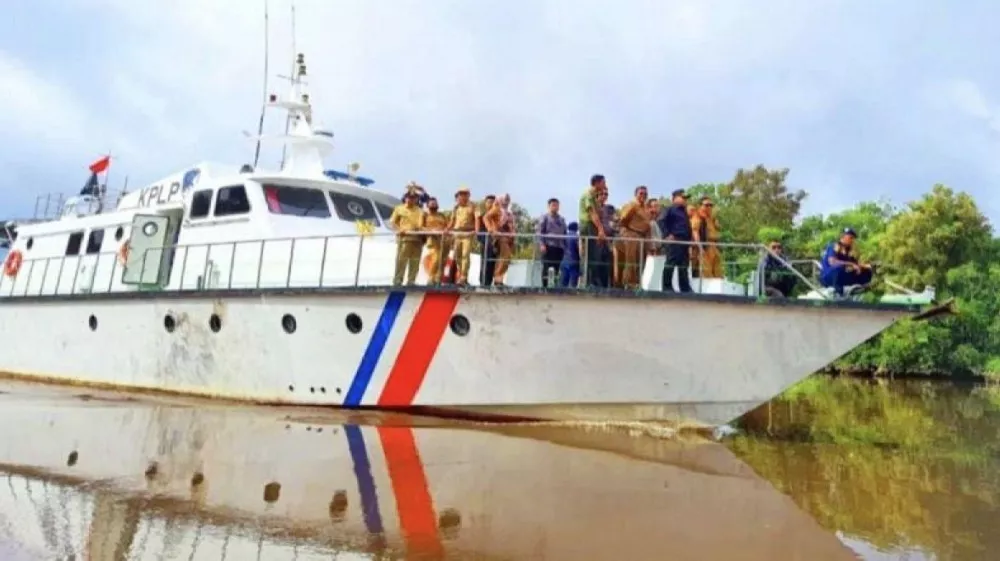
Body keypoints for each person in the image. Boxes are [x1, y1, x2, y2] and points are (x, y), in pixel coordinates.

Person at [657, 189, 693, 293]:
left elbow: (687, 227)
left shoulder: (684, 212)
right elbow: (661, 221)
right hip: (674, 241)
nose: (685, 200)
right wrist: (667, 234)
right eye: (683, 197)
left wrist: (690, 242)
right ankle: (667, 287)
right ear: (675, 198)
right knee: (670, 264)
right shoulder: (670, 209)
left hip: (684, 242)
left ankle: (685, 288)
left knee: (683, 266)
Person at [819, 227, 874, 296]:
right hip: (828, 276)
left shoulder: (849, 251)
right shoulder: (834, 246)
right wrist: (851, 264)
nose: (852, 240)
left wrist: (864, 266)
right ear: (843, 237)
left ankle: (860, 287)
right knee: (839, 268)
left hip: (841, 276)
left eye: (853, 238)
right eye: (850, 238)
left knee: (866, 270)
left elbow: (855, 264)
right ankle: (839, 291)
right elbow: (832, 262)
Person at [616, 186, 651, 289]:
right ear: (636, 194)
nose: (643, 196)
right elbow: (623, 219)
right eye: (641, 193)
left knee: (641, 261)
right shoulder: (632, 205)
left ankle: (637, 283)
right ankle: (628, 284)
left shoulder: (645, 208)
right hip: (632, 235)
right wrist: (627, 232)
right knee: (631, 261)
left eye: (645, 194)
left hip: (643, 237)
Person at [388, 187, 424, 285]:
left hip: (417, 239)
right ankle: (398, 281)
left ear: (416, 199)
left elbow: (423, 224)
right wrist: (399, 230)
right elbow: (392, 222)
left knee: (415, 262)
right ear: (405, 198)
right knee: (401, 261)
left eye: (414, 198)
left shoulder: (420, 211)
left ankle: (411, 281)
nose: (411, 199)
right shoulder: (399, 208)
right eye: (409, 197)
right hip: (404, 239)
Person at [578, 175, 608, 288]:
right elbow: (592, 214)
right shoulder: (588, 195)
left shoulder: (594, 197)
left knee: (594, 255)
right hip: (587, 226)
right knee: (588, 254)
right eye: (603, 183)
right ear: (597, 183)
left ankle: (591, 281)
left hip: (592, 227)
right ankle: (586, 281)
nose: (605, 185)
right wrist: (601, 230)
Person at [483, 194, 514, 286]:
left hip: (508, 238)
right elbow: (486, 217)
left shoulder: (509, 212)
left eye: (508, 200)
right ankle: (497, 278)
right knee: (505, 256)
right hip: (499, 236)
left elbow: (511, 225)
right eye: (505, 199)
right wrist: (490, 229)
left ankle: (499, 278)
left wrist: (513, 236)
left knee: (506, 258)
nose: (506, 201)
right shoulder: (497, 209)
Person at [448, 186, 477, 285]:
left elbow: (477, 219)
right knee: (458, 256)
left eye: (465, 194)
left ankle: (464, 277)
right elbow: (452, 221)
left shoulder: (473, 206)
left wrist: (476, 231)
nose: (463, 196)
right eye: (461, 194)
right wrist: (447, 229)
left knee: (465, 255)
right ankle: (461, 275)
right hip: (457, 233)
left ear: (468, 195)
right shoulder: (456, 207)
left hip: (468, 233)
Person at [536, 198, 567, 288]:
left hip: (559, 247)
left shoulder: (561, 219)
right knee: (547, 267)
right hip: (548, 246)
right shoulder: (545, 217)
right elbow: (540, 232)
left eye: (557, 205)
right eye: (553, 205)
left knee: (557, 267)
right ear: (548, 206)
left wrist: (565, 246)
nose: (555, 207)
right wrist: (542, 244)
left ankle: (554, 286)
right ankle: (545, 287)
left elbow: (565, 233)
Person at [690, 196, 723, 278]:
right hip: (704, 248)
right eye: (706, 205)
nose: (709, 207)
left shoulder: (711, 218)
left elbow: (718, 229)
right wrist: (700, 247)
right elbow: (695, 232)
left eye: (711, 205)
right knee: (706, 273)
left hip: (714, 247)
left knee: (718, 272)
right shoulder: (697, 216)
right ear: (700, 205)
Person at [422, 197, 450, 284]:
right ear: (428, 205)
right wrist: (431, 231)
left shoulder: (441, 215)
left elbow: (447, 225)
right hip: (432, 239)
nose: (434, 205)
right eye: (432, 204)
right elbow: (420, 227)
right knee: (436, 258)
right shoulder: (425, 215)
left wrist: (446, 229)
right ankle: (431, 278)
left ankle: (438, 279)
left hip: (443, 239)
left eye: (435, 203)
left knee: (443, 260)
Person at [476, 194, 497, 286]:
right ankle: (483, 281)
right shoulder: (482, 214)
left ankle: (490, 281)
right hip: (485, 238)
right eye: (489, 202)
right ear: (485, 203)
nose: (491, 204)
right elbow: (477, 228)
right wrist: (480, 238)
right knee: (485, 261)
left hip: (495, 240)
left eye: (493, 202)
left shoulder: (496, 214)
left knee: (493, 261)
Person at [560, 222, 581, 288]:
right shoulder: (577, 236)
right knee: (573, 283)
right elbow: (579, 249)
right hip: (574, 261)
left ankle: (560, 296)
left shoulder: (564, 236)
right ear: (576, 228)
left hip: (564, 261)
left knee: (563, 282)